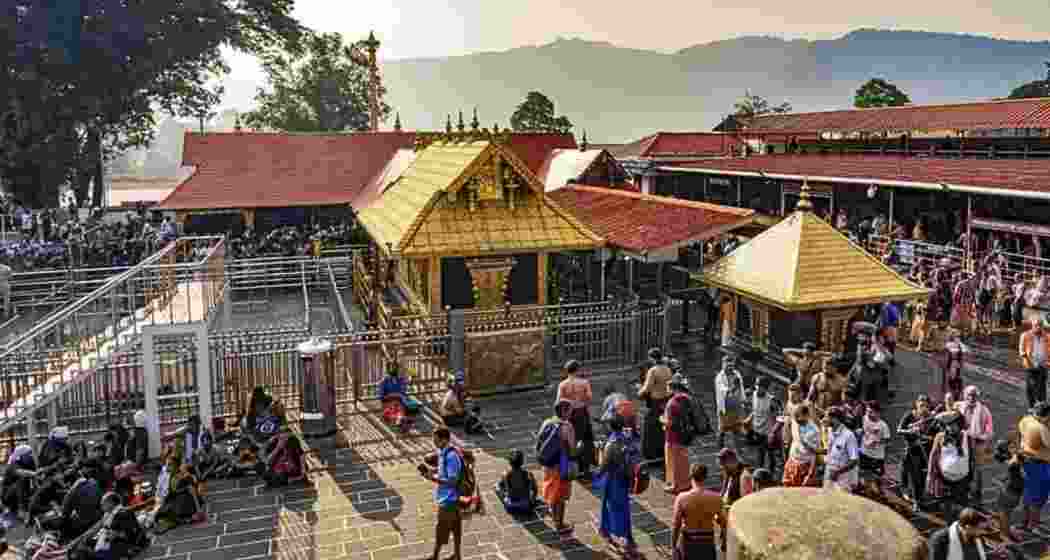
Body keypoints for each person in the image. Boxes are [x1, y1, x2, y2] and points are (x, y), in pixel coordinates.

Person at [597, 415, 639, 558]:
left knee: (612, 507)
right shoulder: (628, 437)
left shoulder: (611, 444)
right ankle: (626, 535)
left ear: (611, 426)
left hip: (613, 479)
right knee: (624, 507)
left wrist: (600, 453)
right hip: (625, 478)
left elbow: (603, 466)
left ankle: (615, 534)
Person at [422, 427, 462, 560]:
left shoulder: (451, 456)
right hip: (450, 498)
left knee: (441, 530)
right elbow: (442, 469)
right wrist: (431, 471)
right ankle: (456, 555)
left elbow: (452, 481)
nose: (434, 443)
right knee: (456, 527)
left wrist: (432, 478)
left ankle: (435, 556)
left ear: (444, 440)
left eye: (436, 440)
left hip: (449, 499)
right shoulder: (442, 452)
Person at [927, 412, 974, 519]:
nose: (950, 428)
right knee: (946, 507)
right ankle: (949, 524)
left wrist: (973, 479)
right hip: (944, 479)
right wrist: (930, 476)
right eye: (948, 425)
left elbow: (972, 459)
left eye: (953, 425)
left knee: (962, 507)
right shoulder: (940, 437)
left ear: (959, 425)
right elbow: (933, 457)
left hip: (962, 480)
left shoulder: (968, 438)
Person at [539, 401, 575, 534]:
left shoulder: (547, 422)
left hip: (548, 463)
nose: (571, 413)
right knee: (560, 495)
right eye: (569, 411)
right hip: (561, 463)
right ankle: (560, 524)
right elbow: (571, 449)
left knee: (552, 490)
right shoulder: (567, 427)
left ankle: (554, 515)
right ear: (564, 412)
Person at [663, 374, 701, 494]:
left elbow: (670, 423)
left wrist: (661, 419)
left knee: (674, 462)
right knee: (683, 460)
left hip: (673, 436)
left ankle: (676, 485)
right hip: (685, 434)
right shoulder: (686, 398)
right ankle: (686, 482)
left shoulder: (672, 403)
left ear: (673, 388)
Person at [671, 464, 720, 560]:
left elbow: (676, 524)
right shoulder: (716, 498)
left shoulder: (681, 498)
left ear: (691, 476)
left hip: (689, 543)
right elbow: (723, 522)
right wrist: (724, 538)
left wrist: (673, 546)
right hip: (707, 542)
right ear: (705, 477)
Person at [556, 360, 594, 479]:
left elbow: (558, 402)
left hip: (569, 414)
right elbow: (589, 397)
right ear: (577, 370)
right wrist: (581, 399)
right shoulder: (584, 382)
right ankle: (585, 467)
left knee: (570, 440)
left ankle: (572, 467)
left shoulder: (562, 384)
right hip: (582, 412)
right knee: (585, 440)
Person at [955, 385, 994, 500]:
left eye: (974, 395)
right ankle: (963, 487)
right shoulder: (959, 406)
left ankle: (976, 491)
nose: (972, 397)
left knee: (977, 468)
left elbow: (990, 429)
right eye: (969, 395)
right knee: (962, 464)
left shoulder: (984, 410)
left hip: (978, 442)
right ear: (965, 395)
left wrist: (983, 438)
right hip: (962, 441)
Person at [898, 395, 937, 508]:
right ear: (916, 404)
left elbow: (936, 435)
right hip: (912, 450)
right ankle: (916, 500)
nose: (923, 408)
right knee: (914, 475)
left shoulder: (931, 419)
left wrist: (927, 438)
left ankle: (920, 496)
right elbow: (899, 430)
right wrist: (910, 431)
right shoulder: (910, 415)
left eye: (925, 405)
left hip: (926, 451)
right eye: (921, 405)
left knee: (922, 477)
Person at [1018, 402, 1050, 535]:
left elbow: (1020, 433)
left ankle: (1025, 522)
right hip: (1040, 465)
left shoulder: (1025, 420)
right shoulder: (1042, 428)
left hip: (1026, 461)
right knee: (1038, 498)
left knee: (1027, 495)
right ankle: (1033, 526)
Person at [90, 492, 147, 560]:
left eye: (103, 503)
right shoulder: (109, 513)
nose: (101, 505)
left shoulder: (122, 513)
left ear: (110, 503)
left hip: (126, 546)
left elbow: (130, 534)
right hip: (114, 543)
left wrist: (114, 535)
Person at [638, 348, 671, 462]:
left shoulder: (653, 370)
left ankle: (651, 453)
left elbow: (647, 388)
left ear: (652, 358)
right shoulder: (667, 369)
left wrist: (639, 391)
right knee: (662, 427)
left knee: (651, 427)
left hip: (655, 402)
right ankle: (662, 451)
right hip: (665, 401)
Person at [742, 376, 779, 471]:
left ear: (765, 388)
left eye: (760, 386)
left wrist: (773, 433)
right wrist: (748, 419)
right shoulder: (753, 395)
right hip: (757, 431)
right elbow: (755, 410)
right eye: (756, 385)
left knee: (770, 455)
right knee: (760, 454)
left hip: (768, 433)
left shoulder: (771, 401)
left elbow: (776, 418)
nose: (757, 388)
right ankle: (760, 472)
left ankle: (771, 471)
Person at [992, 439, 1025, 543]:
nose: (1013, 448)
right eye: (1010, 447)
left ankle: (1005, 537)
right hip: (1015, 492)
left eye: (1013, 447)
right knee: (1006, 514)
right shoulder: (1016, 459)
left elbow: (1010, 464)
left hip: (1010, 492)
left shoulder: (1014, 461)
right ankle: (1007, 532)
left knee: (1004, 515)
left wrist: (1000, 484)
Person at [61, 461, 103, 541]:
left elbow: (67, 504)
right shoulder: (102, 486)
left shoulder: (81, 483)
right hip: (95, 525)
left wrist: (65, 517)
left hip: (80, 523)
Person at [859, 401, 891, 499]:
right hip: (864, 452)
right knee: (864, 475)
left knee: (878, 477)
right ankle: (868, 495)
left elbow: (887, 440)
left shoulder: (883, 425)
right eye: (867, 411)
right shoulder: (863, 419)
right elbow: (861, 430)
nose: (868, 414)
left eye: (871, 412)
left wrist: (877, 442)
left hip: (877, 456)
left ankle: (882, 494)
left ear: (877, 412)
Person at [822, 407, 860, 492]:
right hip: (829, 473)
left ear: (835, 419)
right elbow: (829, 451)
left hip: (843, 480)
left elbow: (854, 461)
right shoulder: (830, 432)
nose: (824, 419)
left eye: (826, 417)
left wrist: (837, 472)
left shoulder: (849, 435)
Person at [782, 404, 819, 487]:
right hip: (792, 462)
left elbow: (814, 453)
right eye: (795, 418)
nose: (797, 420)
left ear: (807, 415)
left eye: (798, 417)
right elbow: (793, 440)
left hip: (805, 465)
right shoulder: (796, 422)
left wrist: (810, 473)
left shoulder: (814, 431)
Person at [714, 356, 745, 450]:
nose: (730, 367)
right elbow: (722, 390)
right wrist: (731, 389)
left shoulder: (737, 374)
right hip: (725, 407)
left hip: (736, 406)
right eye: (728, 365)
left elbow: (741, 387)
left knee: (737, 430)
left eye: (732, 365)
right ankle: (720, 448)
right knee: (722, 430)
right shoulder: (719, 377)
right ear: (723, 365)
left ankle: (738, 449)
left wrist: (743, 399)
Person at [1019, 318, 1050, 409]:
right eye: (1036, 325)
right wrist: (1029, 362)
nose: (1038, 327)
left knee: (1042, 388)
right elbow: (1022, 351)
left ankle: (1042, 408)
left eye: (1040, 325)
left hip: (1043, 366)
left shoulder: (1047, 336)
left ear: (1042, 326)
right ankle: (1031, 407)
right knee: (1031, 388)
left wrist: (1047, 363)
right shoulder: (1025, 335)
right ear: (1032, 326)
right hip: (1030, 366)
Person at [496, 450, 538, 515]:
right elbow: (535, 489)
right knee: (530, 492)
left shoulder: (505, 474)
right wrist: (532, 500)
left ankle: (505, 499)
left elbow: (499, 486)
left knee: (496, 487)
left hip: (511, 506)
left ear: (509, 462)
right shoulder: (528, 474)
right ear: (522, 462)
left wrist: (505, 493)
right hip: (526, 506)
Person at [2, 445, 36, 524]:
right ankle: (21, 510)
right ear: (21, 456)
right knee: (21, 481)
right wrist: (35, 474)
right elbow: (20, 472)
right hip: (8, 496)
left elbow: (35, 479)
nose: (30, 455)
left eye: (31, 453)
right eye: (28, 454)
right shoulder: (13, 464)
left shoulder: (30, 462)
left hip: (23, 494)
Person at [378, 363, 413, 430]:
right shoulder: (384, 381)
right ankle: (400, 420)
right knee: (395, 410)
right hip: (389, 402)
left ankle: (400, 420)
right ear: (388, 369)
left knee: (399, 409)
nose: (395, 370)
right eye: (392, 368)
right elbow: (382, 397)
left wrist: (411, 375)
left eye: (396, 368)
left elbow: (408, 384)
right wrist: (394, 395)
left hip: (399, 402)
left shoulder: (400, 379)